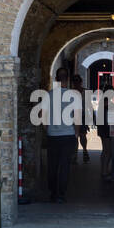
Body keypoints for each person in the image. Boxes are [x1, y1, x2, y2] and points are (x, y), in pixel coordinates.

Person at [44, 67, 81, 203]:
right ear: (68, 79)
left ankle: (53, 192)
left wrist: (47, 129)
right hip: (68, 135)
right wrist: (76, 133)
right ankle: (61, 194)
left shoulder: (49, 95)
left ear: (56, 79)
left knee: (52, 165)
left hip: (52, 135)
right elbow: (77, 117)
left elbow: (43, 116)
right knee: (64, 165)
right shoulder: (74, 96)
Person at [96, 85, 114, 181]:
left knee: (105, 150)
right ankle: (105, 171)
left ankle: (103, 169)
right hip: (106, 129)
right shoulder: (107, 103)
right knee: (108, 151)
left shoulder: (103, 102)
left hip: (102, 129)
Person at [71, 73, 90, 162]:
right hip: (72, 117)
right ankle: (75, 154)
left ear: (81, 82)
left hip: (82, 116)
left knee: (82, 135)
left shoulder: (86, 92)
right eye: (75, 81)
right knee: (75, 136)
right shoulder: (69, 92)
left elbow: (89, 106)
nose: (76, 83)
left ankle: (84, 150)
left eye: (77, 81)